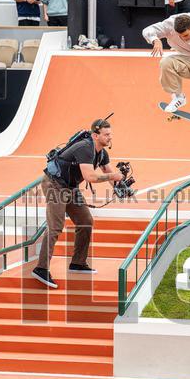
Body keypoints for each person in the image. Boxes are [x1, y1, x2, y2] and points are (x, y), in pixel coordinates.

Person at [32, 118, 124, 289]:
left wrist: (121, 186)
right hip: (55, 184)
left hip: (71, 187)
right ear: (96, 135)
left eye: (110, 134)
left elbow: (108, 171)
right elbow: (90, 177)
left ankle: (78, 263)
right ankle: (41, 268)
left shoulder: (102, 152)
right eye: (106, 134)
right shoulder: (85, 148)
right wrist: (113, 177)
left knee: (85, 221)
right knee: (56, 226)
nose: (110, 137)